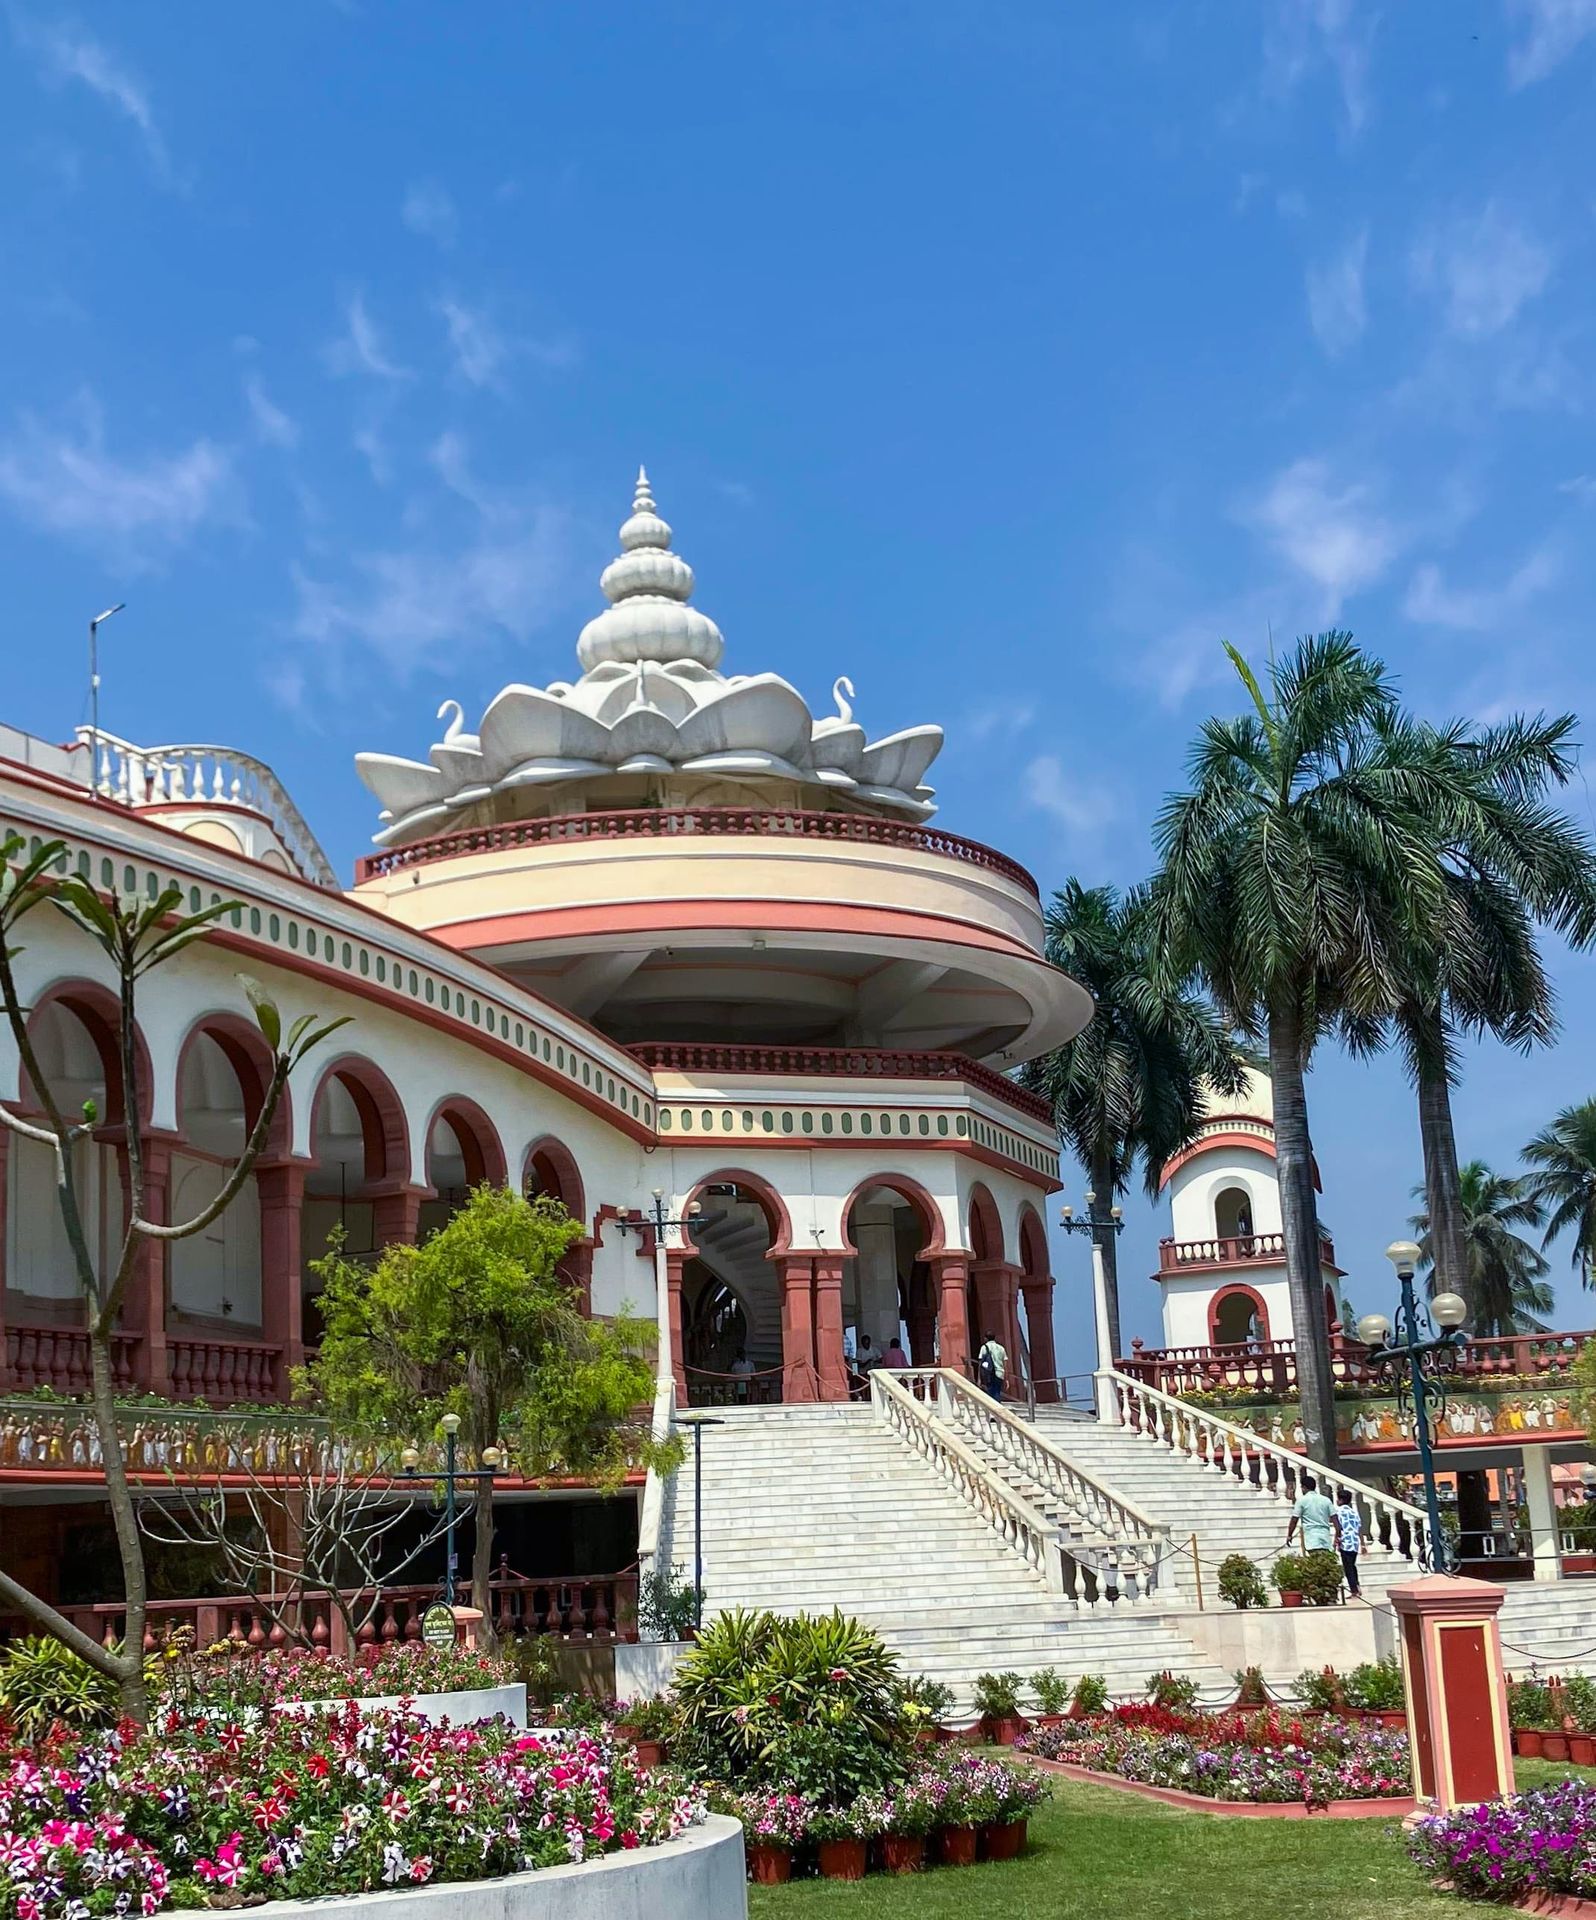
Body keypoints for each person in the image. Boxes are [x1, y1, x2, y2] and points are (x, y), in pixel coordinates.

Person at [1286, 1471, 1337, 1560]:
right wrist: (1338, 1536)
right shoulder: (1326, 1500)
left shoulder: (1302, 1501)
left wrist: (1289, 1535)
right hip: (1325, 1535)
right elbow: (1335, 1520)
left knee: (1315, 1564)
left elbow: (1294, 1519)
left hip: (1311, 1537)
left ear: (1304, 1487)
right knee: (1326, 1563)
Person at [1333, 1486, 1365, 1598]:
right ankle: (1357, 1585)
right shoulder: (1354, 1512)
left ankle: (1354, 1590)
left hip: (1345, 1542)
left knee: (1348, 1567)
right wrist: (1363, 1544)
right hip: (1354, 1542)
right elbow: (1359, 1528)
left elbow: (1338, 1528)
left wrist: (1336, 1540)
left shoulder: (1338, 1511)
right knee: (1352, 1565)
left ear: (1340, 1500)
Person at [977, 1333, 1008, 1403]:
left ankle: (995, 1410)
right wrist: (1006, 1378)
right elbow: (1005, 1363)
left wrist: (979, 1378)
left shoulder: (984, 1347)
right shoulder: (1001, 1348)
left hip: (989, 1373)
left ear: (986, 1338)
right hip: (1000, 1373)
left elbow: (980, 1363)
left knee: (990, 1393)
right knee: (997, 1392)